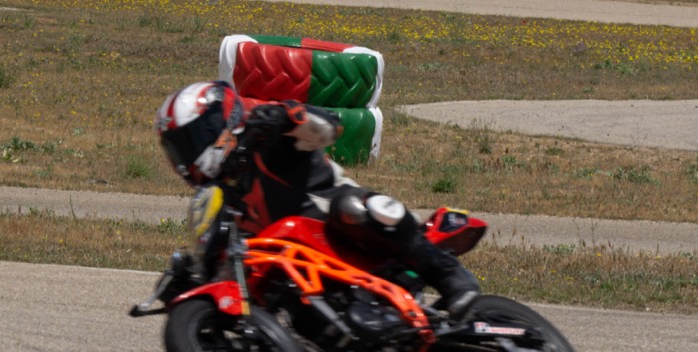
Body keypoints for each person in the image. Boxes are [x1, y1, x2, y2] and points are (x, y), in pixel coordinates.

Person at [154, 80, 481, 316]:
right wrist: (189, 284)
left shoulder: (268, 141)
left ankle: (449, 274)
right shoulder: (222, 200)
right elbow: (224, 269)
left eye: (189, 141)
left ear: (217, 123)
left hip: (345, 232)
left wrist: (285, 118)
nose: (186, 156)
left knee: (352, 208)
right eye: (178, 149)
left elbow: (330, 127)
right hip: (310, 282)